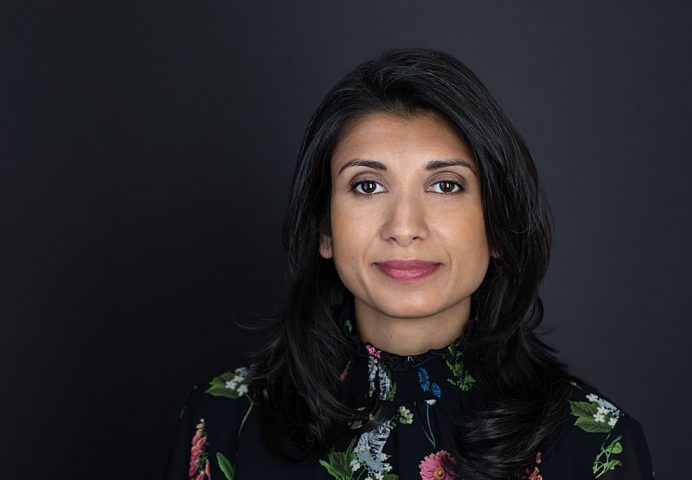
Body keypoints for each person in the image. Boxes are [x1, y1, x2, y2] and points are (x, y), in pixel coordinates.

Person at [163, 48, 655, 480]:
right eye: (367, 186)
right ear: (326, 229)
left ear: (500, 226)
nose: (404, 226)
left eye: (445, 185)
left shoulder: (593, 445)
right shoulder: (224, 420)